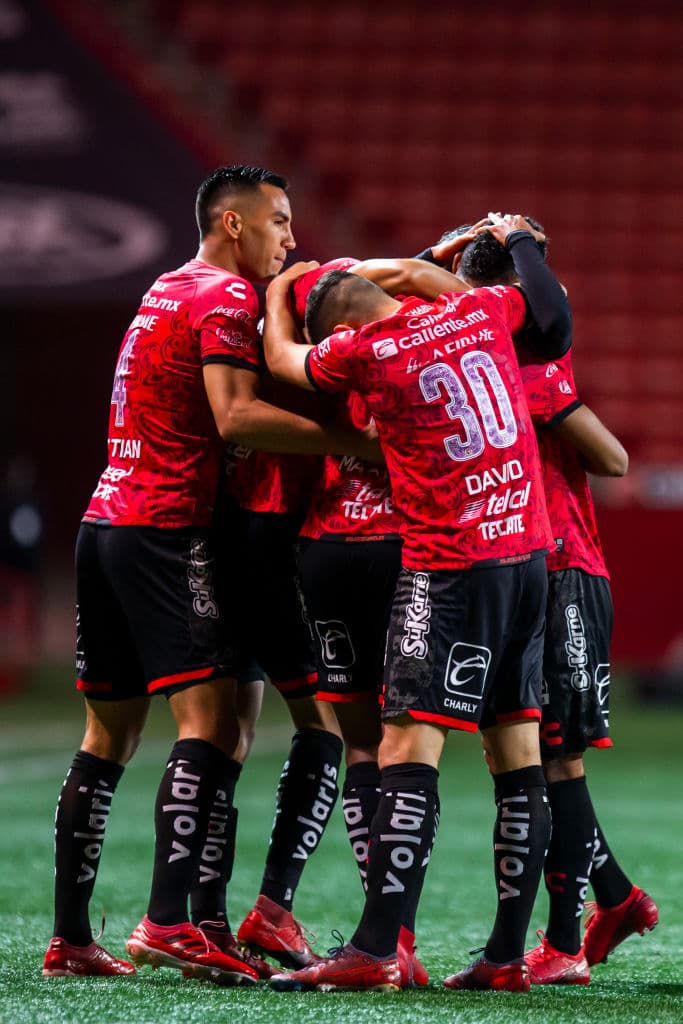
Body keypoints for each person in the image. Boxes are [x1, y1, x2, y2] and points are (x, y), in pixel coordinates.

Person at [42, 164, 376, 982]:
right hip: (165, 527)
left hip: (105, 519)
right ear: (234, 223)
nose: (287, 236)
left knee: (108, 737)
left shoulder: (165, 287)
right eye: (278, 221)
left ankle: (73, 938)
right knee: (213, 727)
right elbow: (235, 416)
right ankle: (168, 922)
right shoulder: (224, 298)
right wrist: (357, 442)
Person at [259, 213, 572, 993]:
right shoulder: (476, 309)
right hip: (525, 556)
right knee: (516, 753)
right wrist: (516, 241)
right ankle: (505, 956)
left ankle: (374, 949)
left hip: (449, 567)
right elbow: (552, 320)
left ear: (340, 328)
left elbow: (281, 358)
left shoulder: (362, 352)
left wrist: (275, 292)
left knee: (403, 749)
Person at [435, 220, 659, 983]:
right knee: (533, 755)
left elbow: (614, 458)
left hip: (563, 570)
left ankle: (565, 941)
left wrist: (542, 414)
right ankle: (611, 899)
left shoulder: (530, 376)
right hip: (517, 568)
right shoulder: (490, 366)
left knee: (553, 757)